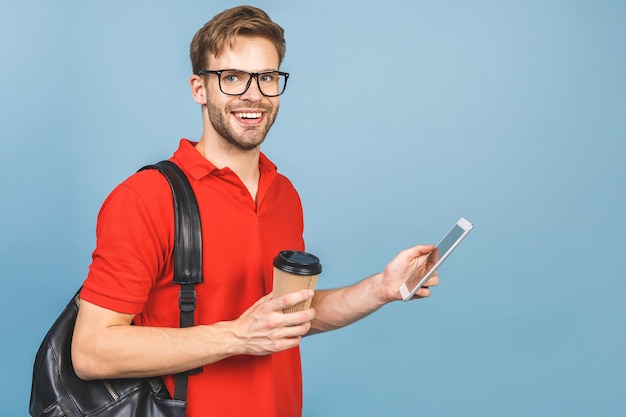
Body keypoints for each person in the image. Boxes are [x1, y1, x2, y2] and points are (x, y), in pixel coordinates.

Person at [71, 5, 439, 417]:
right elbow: (91, 351)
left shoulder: (284, 193)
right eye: (232, 78)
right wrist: (238, 336)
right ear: (199, 89)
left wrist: (381, 289)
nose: (254, 94)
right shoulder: (145, 198)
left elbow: (289, 316)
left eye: (266, 77)